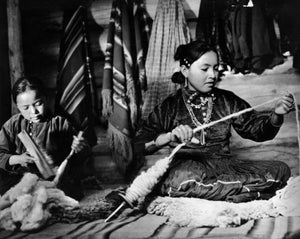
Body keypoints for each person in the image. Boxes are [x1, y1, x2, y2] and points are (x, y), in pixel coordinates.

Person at [133, 40, 295, 203]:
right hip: (187, 170)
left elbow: (257, 132)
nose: (212, 75)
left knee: (281, 170)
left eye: (215, 68)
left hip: (224, 167)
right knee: (183, 180)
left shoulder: (227, 100)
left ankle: (226, 192)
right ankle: (246, 193)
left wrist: (277, 115)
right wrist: (168, 137)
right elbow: (139, 146)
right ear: (185, 70)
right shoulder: (169, 106)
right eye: (205, 69)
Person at [0, 76, 90, 200]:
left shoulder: (60, 123)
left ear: (46, 99)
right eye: (25, 108)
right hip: (21, 182)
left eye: (38, 104)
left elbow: (80, 158)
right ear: (17, 107)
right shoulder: (13, 125)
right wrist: (17, 159)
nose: (33, 111)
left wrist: (80, 147)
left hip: (55, 182)